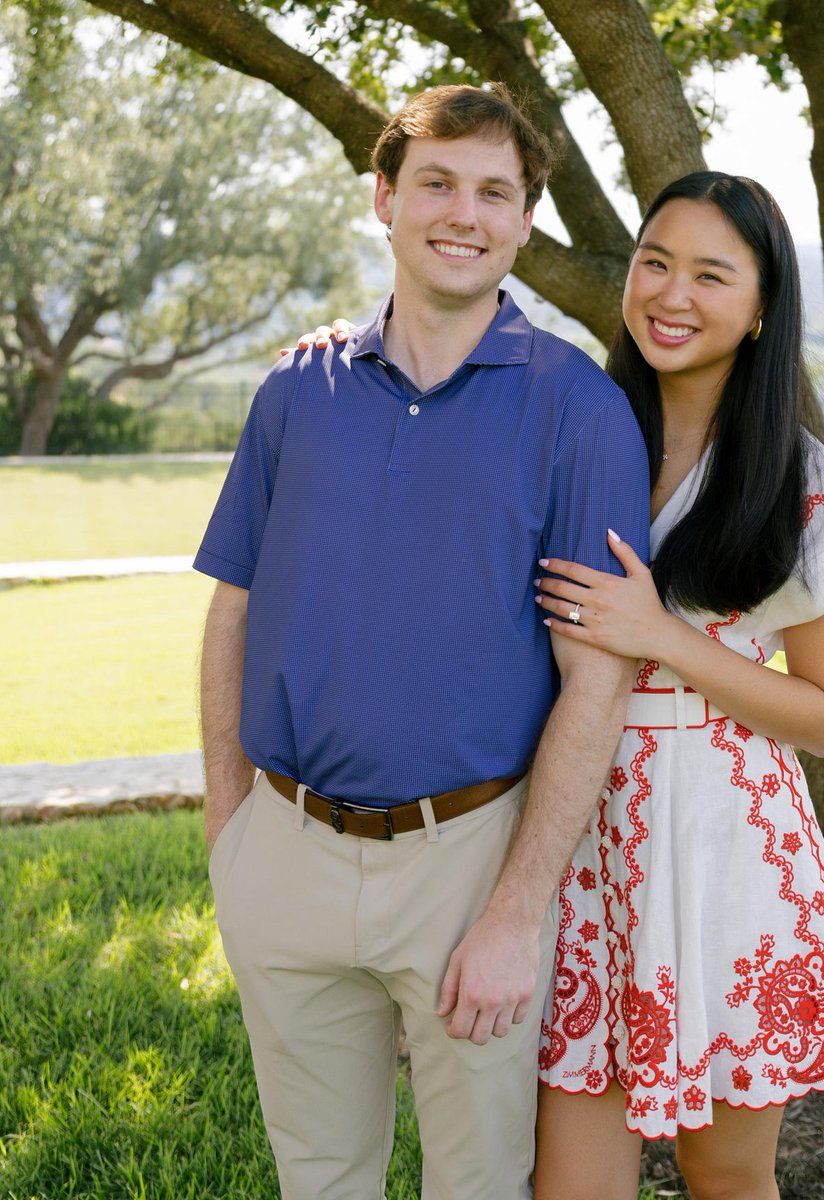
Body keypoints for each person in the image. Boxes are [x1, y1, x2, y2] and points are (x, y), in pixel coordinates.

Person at [195, 84, 650, 1200]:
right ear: (385, 199)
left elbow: (600, 679)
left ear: (525, 224)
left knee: (478, 1182)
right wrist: (230, 833)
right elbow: (233, 610)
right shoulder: (294, 393)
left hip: (470, 860)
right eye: (438, 182)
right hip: (286, 848)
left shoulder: (578, 409)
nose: (465, 213)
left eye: (495, 192)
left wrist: (515, 909)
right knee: (318, 1177)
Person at [529, 173, 824, 1200]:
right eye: (655, 262)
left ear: (762, 307)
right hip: (578, 836)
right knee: (569, 1181)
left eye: (711, 275)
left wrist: (664, 639)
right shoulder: (579, 436)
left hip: (727, 849)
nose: (672, 293)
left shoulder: (798, 477)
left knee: (725, 1176)